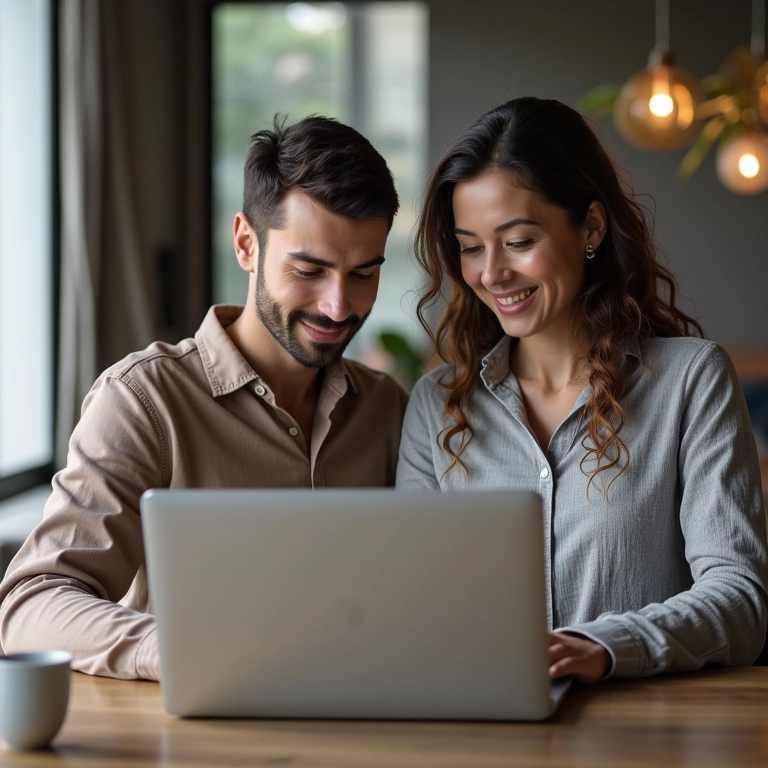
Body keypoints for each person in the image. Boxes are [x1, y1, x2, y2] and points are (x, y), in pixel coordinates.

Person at [0, 115, 408, 681]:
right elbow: (31, 605)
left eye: (363, 273)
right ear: (246, 244)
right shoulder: (144, 401)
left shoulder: (388, 408)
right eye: (309, 270)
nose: (339, 306)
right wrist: (183, 647)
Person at [396, 97, 768, 682]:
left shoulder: (692, 381)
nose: (491, 273)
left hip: (647, 736)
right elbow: (412, 602)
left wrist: (604, 646)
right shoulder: (437, 404)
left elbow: (741, 600)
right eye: (471, 246)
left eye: (518, 241)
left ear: (590, 227)